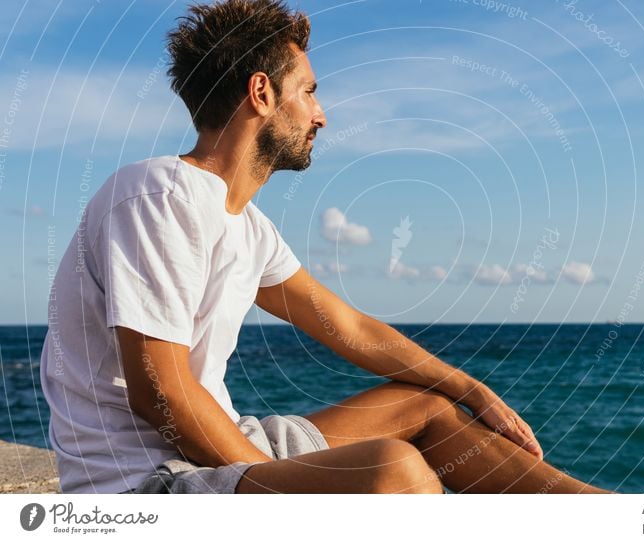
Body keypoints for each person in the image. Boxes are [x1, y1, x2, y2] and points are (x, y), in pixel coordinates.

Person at [40, 0, 610, 494]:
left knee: (425, 408)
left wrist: (469, 387)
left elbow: (349, 327)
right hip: (150, 482)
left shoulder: (245, 225)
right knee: (395, 473)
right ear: (261, 93)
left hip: (220, 448)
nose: (322, 114)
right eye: (309, 92)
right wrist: (280, 486)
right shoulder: (159, 196)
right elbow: (159, 392)